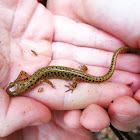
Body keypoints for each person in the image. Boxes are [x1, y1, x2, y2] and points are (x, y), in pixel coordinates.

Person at [0, 0, 139, 139]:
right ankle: (84, 70)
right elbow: (32, 76)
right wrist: (34, 80)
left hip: (77, 76)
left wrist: (65, 85)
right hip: (76, 73)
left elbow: (41, 79)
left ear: (22, 89)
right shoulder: (30, 79)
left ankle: (83, 75)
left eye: (16, 88)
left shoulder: (33, 82)